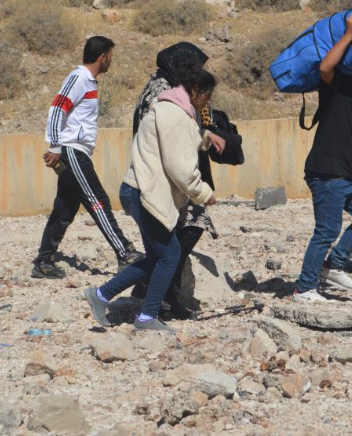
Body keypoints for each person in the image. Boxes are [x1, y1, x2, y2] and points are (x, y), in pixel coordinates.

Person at [84, 66, 218, 333]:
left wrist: (204, 138)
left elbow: (173, 141)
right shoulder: (177, 116)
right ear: (194, 91)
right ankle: (146, 318)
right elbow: (180, 167)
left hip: (136, 190)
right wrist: (203, 193)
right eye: (207, 95)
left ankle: (100, 295)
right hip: (146, 194)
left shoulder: (169, 108)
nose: (208, 101)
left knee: (158, 257)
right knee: (170, 256)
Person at [130, 42, 227, 319]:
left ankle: (161, 295)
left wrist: (206, 136)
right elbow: (171, 141)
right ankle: (154, 294)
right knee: (182, 235)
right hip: (162, 177)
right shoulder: (163, 90)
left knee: (173, 240)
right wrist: (199, 188)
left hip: (169, 176)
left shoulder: (173, 87)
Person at [32, 36, 142, 279]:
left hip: (74, 150)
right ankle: (125, 252)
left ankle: (44, 260)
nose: (111, 61)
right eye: (111, 57)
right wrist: (55, 145)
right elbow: (56, 108)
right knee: (98, 200)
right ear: (102, 57)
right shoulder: (79, 78)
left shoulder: (89, 81)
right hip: (71, 151)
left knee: (65, 207)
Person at [293, 14, 352, 303]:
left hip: (348, 173)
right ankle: (304, 288)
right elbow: (325, 66)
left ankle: (333, 266)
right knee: (327, 230)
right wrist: (348, 34)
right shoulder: (337, 89)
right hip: (327, 173)